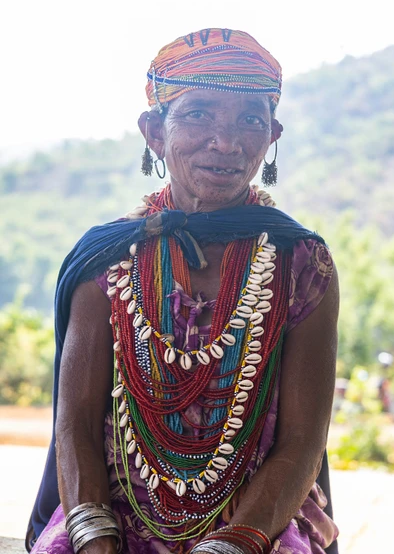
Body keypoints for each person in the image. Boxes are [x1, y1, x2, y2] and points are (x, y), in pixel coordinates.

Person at [27, 28, 339, 554]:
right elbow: (76, 423)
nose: (227, 141)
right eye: (198, 114)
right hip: (113, 508)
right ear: (153, 130)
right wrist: (92, 535)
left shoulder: (301, 262)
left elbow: (302, 443)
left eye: (250, 120)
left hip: (257, 517)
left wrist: (235, 543)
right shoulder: (107, 259)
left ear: (273, 134)